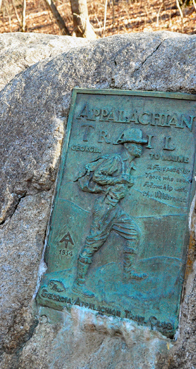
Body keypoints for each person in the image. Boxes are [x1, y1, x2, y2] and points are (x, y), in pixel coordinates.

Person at [72, 128, 147, 298]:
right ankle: (78, 285)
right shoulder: (116, 160)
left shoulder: (129, 165)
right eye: (138, 145)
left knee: (133, 234)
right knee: (92, 244)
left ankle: (128, 273)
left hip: (115, 209)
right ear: (128, 145)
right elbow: (98, 176)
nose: (141, 148)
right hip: (105, 208)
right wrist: (119, 180)